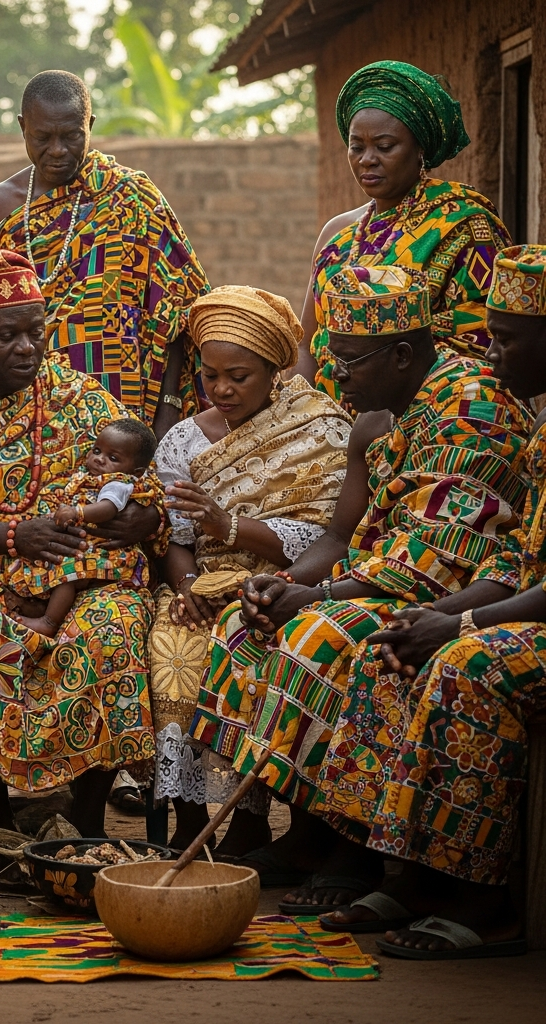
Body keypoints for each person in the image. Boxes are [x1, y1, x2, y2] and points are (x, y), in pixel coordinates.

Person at [192, 265, 531, 907]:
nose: (336, 376)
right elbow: (340, 537)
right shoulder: (379, 413)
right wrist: (282, 585)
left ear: (402, 355)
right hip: (380, 576)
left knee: (322, 638)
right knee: (243, 624)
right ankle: (308, 832)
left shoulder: (471, 410)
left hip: (456, 586)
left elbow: (438, 556)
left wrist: (317, 598)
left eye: (349, 361)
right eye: (332, 357)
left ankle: (355, 844)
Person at [285, 246, 546, 960]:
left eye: (506, 339)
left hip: (516, 617)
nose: (488, 351)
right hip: (514, 598)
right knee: (391, 651)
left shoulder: (479, 411)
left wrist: (462, 621)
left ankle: (480, 898)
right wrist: (444, 620)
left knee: (470, 666)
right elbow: (523, 557)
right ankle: (405, 872)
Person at [0, 249, 164, 839]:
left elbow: (142, 478)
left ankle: (84, 822)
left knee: (114, 624)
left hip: (81, 573)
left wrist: (143, 517)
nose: (26, 348)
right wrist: (15, 535)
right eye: (6, 335)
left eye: (36, 332)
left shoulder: (81, 397)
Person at [148, 286, 352, 852]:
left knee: (249, 645)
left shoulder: (319, 429)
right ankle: (189, 816)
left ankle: (249, 816)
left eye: (238, 376)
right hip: (200, 581)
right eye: (210, 375)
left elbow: (327, 537)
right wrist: (187, 585)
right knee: (174, 647)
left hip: (283, 584)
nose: (222, 390)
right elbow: (172, 536)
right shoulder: (184, 440)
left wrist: (229, 525)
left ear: (274, 370)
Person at [0, 70, 209, 436]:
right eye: (42, 137)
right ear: (22, 127)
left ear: (90, 125)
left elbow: (177, 311)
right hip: (25, 412)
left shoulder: (134, 198)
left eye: (72, 135)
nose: (58, 150)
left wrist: (168, 410)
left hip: (127, 410)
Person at [292, 60, 511, 405]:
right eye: (357, 146)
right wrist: (304, 414)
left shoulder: (464, 225)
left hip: (426, 413)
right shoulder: (337, 234)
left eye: (384, 146)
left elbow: (486, 337)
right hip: (327, 416)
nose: (367, 159)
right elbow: (307, 344)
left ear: (419, 149)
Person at [3, 417, 163, 637]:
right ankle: (42, 607)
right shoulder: (91, 477)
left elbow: (108, 508)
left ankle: (49, 622)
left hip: (103, 553)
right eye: (96, 451)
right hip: (88, 546)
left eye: (113, 458)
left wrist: (77, 513)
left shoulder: (119, 483)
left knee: (68, 574)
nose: (99, 459)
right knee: (55, 566)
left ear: (136, 472)